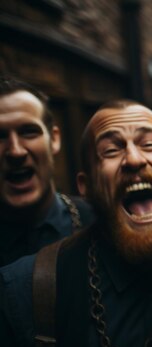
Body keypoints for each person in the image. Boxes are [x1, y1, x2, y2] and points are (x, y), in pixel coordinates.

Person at [0, 100, 152, 347]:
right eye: (111, 151)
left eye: (149, 144)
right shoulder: (26, 291)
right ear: (86, 187)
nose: (134, 159)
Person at [0, 76, 92, 267]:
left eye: (28, 132)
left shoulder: (100, 224)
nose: (16, 151)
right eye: (0, 136)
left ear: (54, 139)